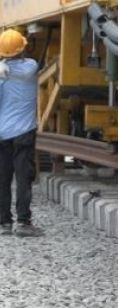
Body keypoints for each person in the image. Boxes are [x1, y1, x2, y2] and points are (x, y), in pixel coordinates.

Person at [0, 29, 42, 237]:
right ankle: (23, 223)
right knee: (24, 178)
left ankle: (4, 223)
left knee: (3, 178)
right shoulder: (31, 67)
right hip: (24, 132)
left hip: (2, 134)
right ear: (22, 48)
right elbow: (25, 71)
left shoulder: (0, 73)